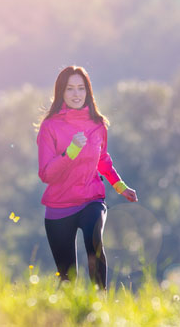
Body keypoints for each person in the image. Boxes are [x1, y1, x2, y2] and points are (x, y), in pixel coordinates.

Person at [36, 66, 137, 289]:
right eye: (70, 88)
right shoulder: (50, 127)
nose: (76, 94)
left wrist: (120, 187)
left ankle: (100, 303)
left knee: (95, 242)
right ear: (61, 92)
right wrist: (71, 152)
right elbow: (46, 174)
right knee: (67, 278)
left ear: (88, 91)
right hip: (59, 205)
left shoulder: (97, 124)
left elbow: (103, 159)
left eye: (81, 88)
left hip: (91, 198)